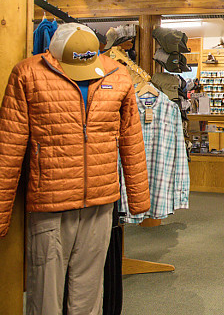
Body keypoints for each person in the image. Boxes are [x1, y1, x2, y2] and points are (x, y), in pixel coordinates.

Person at [0, 23, 150, 315]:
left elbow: (132, 140)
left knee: (90, 291)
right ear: (53, 55)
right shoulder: (28, 74)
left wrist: (138, 199)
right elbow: (9, 147)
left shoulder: (118, 77)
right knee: (45, 294)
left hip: (100, 202)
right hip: (50, 203)